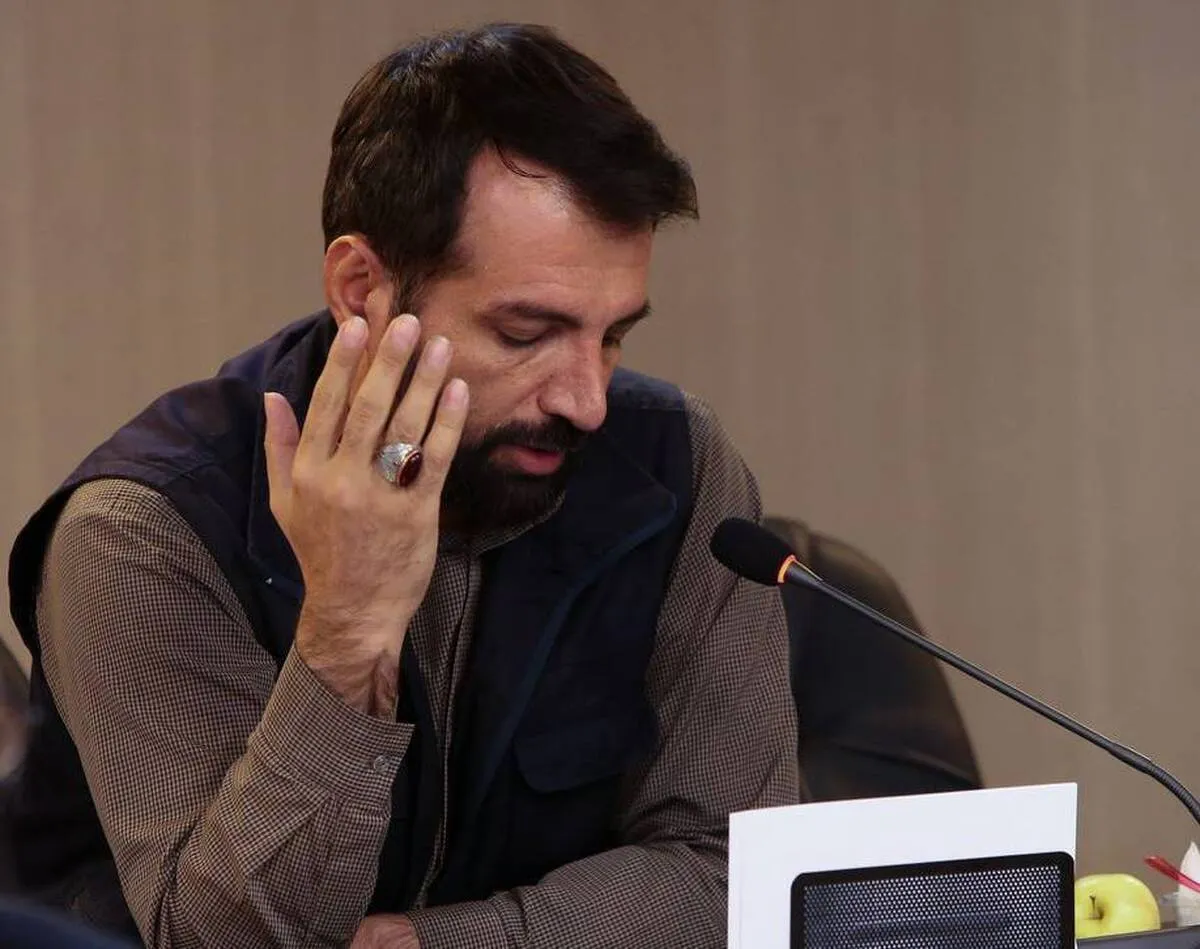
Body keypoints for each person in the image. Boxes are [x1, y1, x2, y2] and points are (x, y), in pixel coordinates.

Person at [5, 22, 798, 949]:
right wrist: (346, 635)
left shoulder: (677, 469)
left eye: (614, 334)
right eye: (526, 333)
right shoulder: (144, 531)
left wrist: (452, 944)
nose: (586, 400)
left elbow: (734, 870)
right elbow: (229, 941)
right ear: (360, 289)